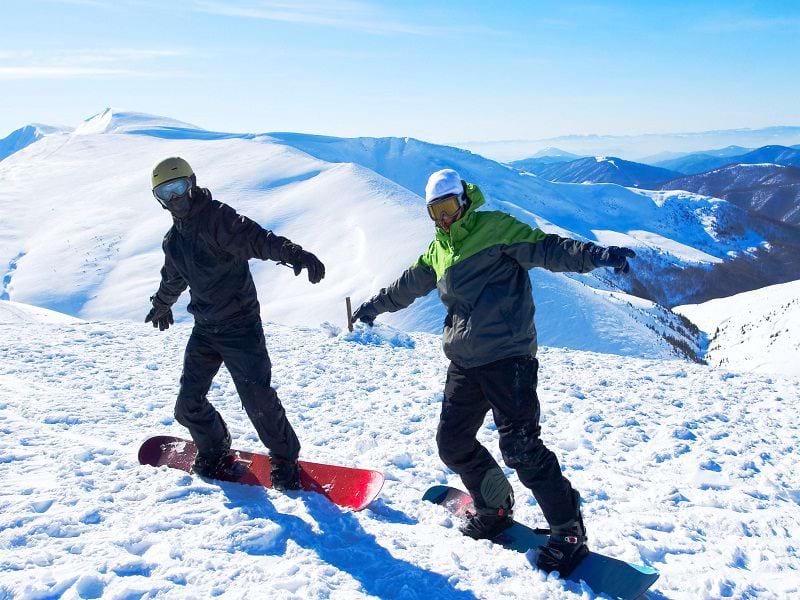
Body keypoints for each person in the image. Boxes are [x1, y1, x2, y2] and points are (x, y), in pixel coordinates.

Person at [351, 169, 635, 576]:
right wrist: (374, 306)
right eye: (436, 212)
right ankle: (494, 506)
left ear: (463, 201)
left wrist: (596, 255)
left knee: (521, 448)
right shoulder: (439, 250)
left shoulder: (495, 227)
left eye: (448, 208)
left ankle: (568, 530)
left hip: (509, 358)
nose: (444, 219)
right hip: (465, 362)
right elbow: (408, 285)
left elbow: (549, 249)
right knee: (452, 442)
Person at [145, 157, 325, 491]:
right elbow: (173, 278)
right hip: (206, 329)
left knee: (258, 401)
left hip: (240, 327)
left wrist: (295, 254)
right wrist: (160, 306)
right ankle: (214, 448)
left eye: (180, 188)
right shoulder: (174, 241)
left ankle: (285, 460)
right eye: (165, 192)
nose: (175, 199)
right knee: (188, 405)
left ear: (193, 184)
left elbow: (258, 239)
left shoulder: (219, 219)